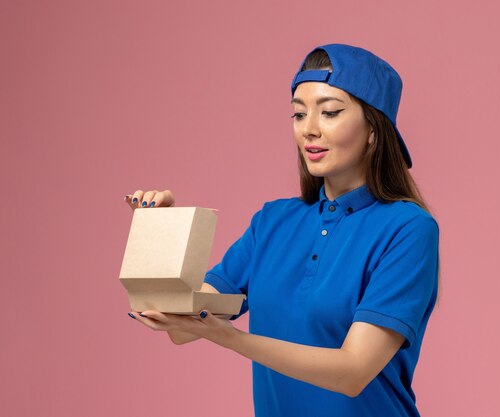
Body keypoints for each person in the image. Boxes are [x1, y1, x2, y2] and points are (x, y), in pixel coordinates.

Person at [124, 43, 441, 417]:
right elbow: (183, 327)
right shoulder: (272, 222)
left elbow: (353, 371)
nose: (309, 130)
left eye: (330, 112)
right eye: (298, 114)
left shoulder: (408, 229)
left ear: (374, 128)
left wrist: (232, 340)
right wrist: (161, 234)